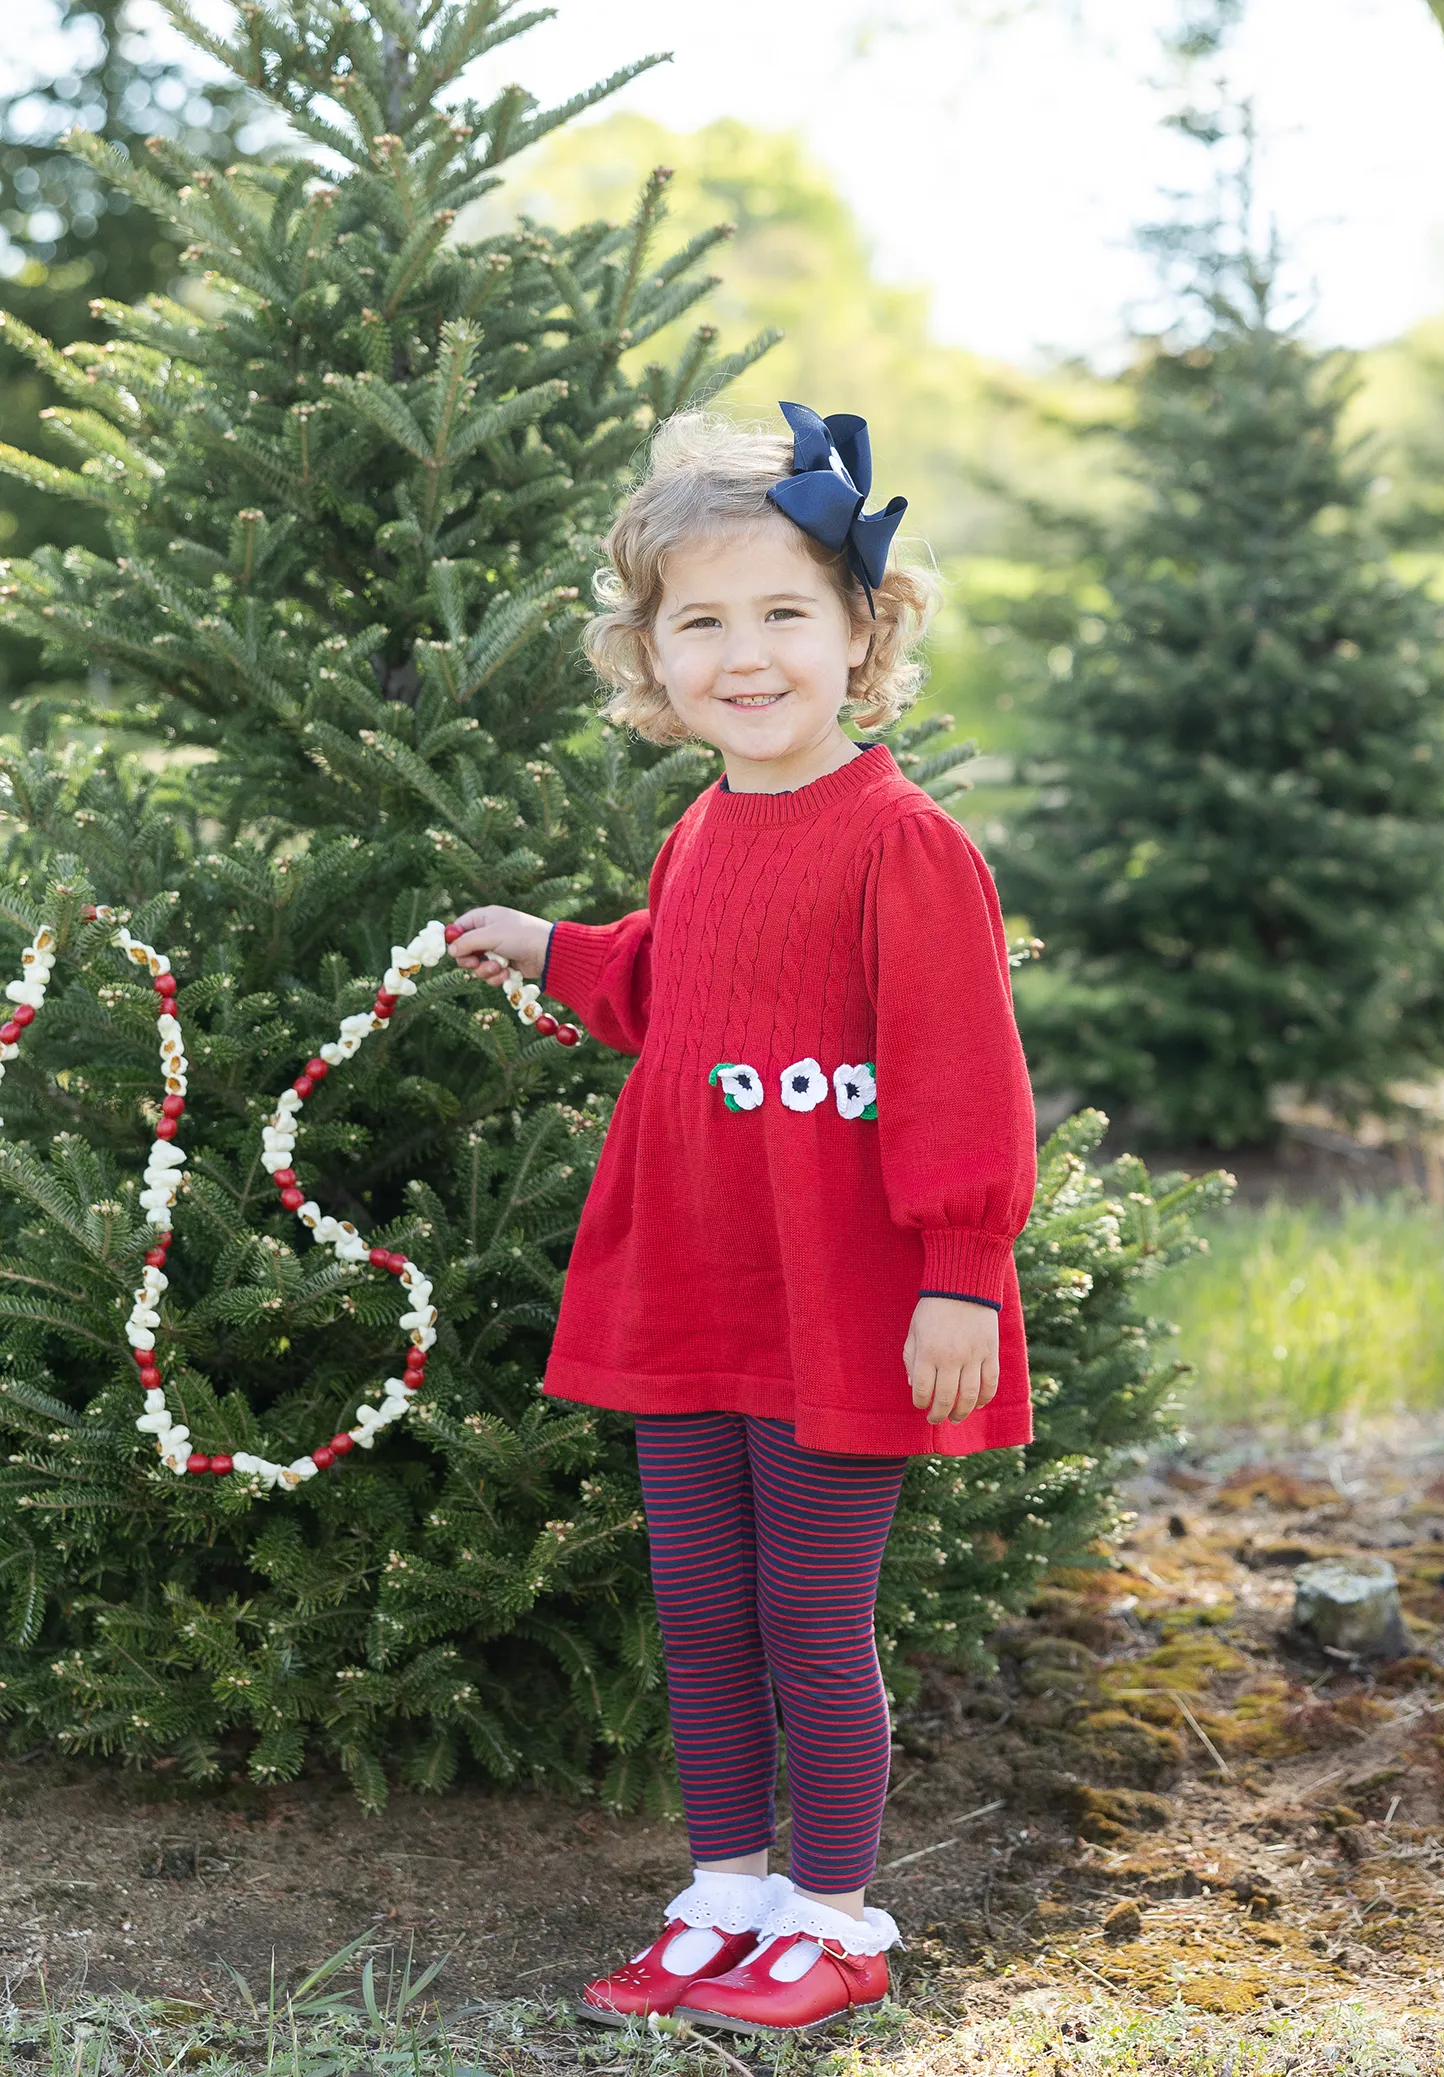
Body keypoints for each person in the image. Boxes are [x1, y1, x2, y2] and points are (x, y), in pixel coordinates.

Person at [450, 403, 1037, 2039]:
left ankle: (837, 1911)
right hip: (696, 1282)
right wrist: (552, 947)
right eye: (701, 621)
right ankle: (724, 1889)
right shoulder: (702, 828)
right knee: (702, 1604)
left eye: (786, 611)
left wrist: (963, 1278)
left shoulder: (907, 848)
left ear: (863, 631)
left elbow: (960, 1081)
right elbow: (672, 980)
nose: (747, 653)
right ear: (651, 655)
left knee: (807, 1614)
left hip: (845, 1296)